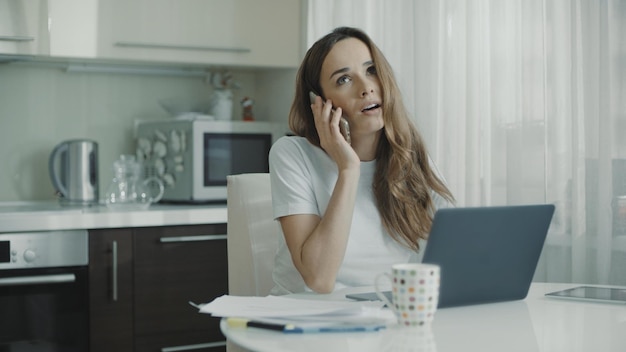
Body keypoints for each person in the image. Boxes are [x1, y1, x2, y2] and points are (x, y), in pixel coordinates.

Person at [268, 27, 455, 295]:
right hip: (305, 321)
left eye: (371, 70)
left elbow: (458, 249)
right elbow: (319, 280)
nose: (366, 87)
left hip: (383, 317)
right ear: (319, 103)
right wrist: (349, 169)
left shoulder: (410, 157)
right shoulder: (292, 154)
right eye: (344, 79)